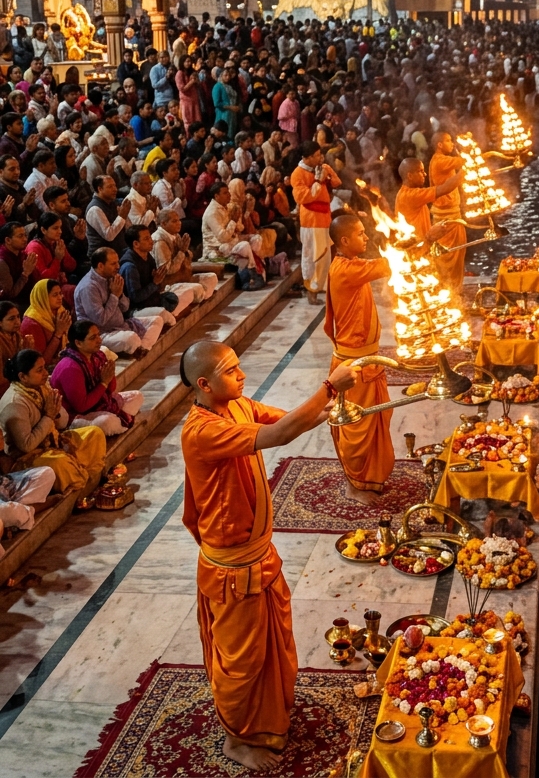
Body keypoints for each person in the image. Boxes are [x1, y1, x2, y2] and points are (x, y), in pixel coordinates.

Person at [178, 340, 354, 770]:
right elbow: (278, 435)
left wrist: (326, 411)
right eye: (231, 370)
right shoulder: (201, 431)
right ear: (204, 384)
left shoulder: (236, 406)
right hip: (233, 568)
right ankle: (236, 739)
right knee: (242, 661)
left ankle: (267, 721)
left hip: (260, 555)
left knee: (272, 646)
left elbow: (284, 420)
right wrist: (330, 388)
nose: (242, 375)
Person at [323, 215, 394, 504]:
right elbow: (386, 265)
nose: (366, 239)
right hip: (353, 366)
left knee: (376, 419)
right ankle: (355, 485)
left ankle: (370, 479)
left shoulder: (352, 266)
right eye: (361, 234)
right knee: (356, 427)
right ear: (344, 241)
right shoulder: (344, 270)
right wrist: (421, 241)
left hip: (368, 360)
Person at [0, 348, 106, 494]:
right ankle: (78, 478)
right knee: (59, 464)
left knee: (94, 433)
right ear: (23, 377)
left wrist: (55, 412)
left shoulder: (41, 386)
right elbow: (26, 445)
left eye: (44, 367)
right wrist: (49, 416)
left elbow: (62, 423)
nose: (45, 373)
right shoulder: (14, 404)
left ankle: (80, 474)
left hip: (52, 443)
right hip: (25, 460)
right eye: (39, 370)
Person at [50, 320, 144, 436]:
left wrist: (109, 376)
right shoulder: (70, 367)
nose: (99, 340)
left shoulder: (98, 356)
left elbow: (110, 390)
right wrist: (103, 383)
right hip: (74, 415)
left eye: (98, 335)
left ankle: (120, 421)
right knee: (107, 422)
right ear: (78, 343)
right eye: (93, 338)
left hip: (98, 403)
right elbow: (81, 406)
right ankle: (121, 421)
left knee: (137, 396)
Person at [75, 247, 164, 356]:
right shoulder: (88, 287)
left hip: (122, 325)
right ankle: (136, 348)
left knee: (157, 320)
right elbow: (100, 320)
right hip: (102, 334)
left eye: (117, 262)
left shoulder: (112, 278)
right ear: (100, 266)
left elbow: (125, 308)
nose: (118, 266)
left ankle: (142, 349)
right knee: (131, 338)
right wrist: (114, 296)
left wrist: (120, 294)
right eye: (113, 264)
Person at [289, 141, 341, 304]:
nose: (320, 157)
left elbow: (337, 182)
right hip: (311, 220)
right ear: (308, 158)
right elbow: (303, 198)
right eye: (317, 155)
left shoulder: (321, 167)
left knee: (326, 257)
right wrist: (318, 182)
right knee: (314, 256)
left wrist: (327, 174)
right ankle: (312, 291)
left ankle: (323, 288)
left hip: (324, 217)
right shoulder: (297, 174)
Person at [119, 223, 188, 320]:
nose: (151, 241)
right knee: (168, 317)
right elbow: (136, 298)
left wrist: (157, 282)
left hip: (151, 301)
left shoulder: (147, 257)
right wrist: (154, 283)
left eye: (150, 237)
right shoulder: (130, 267)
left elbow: (157, 287)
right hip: (137, 309)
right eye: (146, 239)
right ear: (136, 244)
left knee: (177, 297)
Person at [427, 132, 467, 297]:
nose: (452, 143)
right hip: (446, 216)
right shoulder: (440, 161)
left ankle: (454, 287)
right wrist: (465, 149)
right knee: (448, 254)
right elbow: (461, 162)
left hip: (453, 212)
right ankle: (448, 288)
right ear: (440, 145)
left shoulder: (441, 160)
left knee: (458, 251)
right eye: (449, 141)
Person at [152, 209, 218, 304]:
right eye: (174, 221)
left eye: (179, 220)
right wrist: (182, 252)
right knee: (198, 289)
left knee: (211, 277)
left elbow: (188, 258)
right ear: (163, 223)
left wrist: (185, 251)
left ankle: (198, 297)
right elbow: (168, 270)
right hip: (168, 285)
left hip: (182, 278)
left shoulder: (176, 235)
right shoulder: (160, 241)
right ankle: (197, 297)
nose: (179, 223)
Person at [0, 463, 59, 557]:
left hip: (5, 485)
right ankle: (35, 508)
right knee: (10, 511)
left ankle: (21, 513)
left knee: (46, 473)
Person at [201, 181, 259, 275]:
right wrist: (233, 222)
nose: (229, 195)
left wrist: (239, 218)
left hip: (230, 243)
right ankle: (253, 272)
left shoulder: (227, 207)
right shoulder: (211, 213)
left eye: (228, 192)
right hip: (217, 250)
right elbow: (223, 237)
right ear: (216, 196)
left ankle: (254, 268)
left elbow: (240, 228)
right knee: (244, 247)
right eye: (225, 193)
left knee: (256, 238)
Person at [25, 213, 77, 307]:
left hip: (59, 285)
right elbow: (44, 280)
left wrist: (63, 254)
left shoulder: (55, 242)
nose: (60, 231)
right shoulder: (34, 247)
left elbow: (72, 266)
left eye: (60, 228)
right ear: (43, 230)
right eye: (55, 228)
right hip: (43, 291)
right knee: (74, 292)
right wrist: (57, 259)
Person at [20, 279, 72, 368]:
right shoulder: (31, 323)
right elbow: (41, 360)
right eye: (55, 295)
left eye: (60, 293)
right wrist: (58, 333)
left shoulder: (60, 312)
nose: (60, 297)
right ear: (42, 297)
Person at [85, 175, 131, 257]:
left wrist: (125, 217)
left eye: (115, 186)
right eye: (110, 187)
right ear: (100, 189)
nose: (115, 189)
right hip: (102, 257)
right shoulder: (95, 209)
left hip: (120, 251)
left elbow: (127, 227)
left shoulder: (113, 202)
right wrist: (122, 216)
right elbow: (109, 235)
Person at [0, 222, 38, 305]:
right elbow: (10, 294)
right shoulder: (2, 262)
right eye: (20, 236)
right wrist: (25, 274)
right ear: (8, 240)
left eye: (25, 235)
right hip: (12, 304)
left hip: (27, 297)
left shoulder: (22, 254)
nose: (25, 239)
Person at [0, 300, 30, 397]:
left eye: (18, 316)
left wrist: (28, 349)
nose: (17, 321)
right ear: (0, 322)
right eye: (11, 318)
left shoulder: (18, 336)